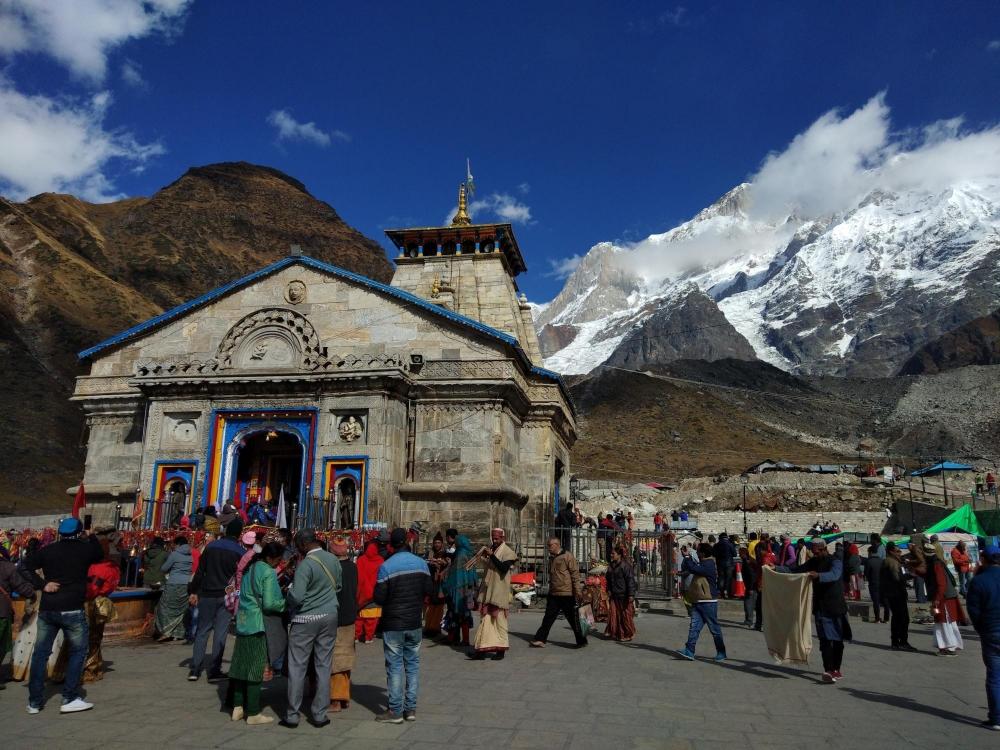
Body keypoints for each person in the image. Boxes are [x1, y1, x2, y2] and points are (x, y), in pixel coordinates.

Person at [24, 517, 103, 714]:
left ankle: (34, 701)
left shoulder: (49, 550)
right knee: (78, 652)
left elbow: (25, 566)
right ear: (79, 533)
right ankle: (69, 697)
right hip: (72, 609)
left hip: (48, 609)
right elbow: (100, 555)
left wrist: (43, 585)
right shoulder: (85, 549)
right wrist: (92, 536)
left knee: (41, 653)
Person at [282, 528, 342, 729]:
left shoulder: (305, 564)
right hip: (329, 615)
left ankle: (292, 715)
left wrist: (288, 594)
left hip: (306, 618)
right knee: (324, 665)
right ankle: (319, 714)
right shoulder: (333, 559)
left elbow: (297, 596)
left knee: (298, 666)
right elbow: (338, 586)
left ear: (303, 545)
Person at [372, 528, 432, 723]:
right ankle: (411, 708)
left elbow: (379, 598)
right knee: (412, 665)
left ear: (391, 544)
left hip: (393, 623)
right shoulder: (422, 564)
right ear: (407, 541)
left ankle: (395, 710)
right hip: (414, 621)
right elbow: (429, 590)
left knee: (395, 666)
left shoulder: (387, 566)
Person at [226, 541, 286, 726]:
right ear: (270, 558)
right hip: (258, 624)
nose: (279, 563)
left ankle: (237, 706)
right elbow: (269, 603)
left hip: (243, 621)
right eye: (278, 560)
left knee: (239, 666)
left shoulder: (249, 569)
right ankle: (252, 711)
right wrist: (284, 604)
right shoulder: (267, 572)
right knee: (254, 668)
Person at [188, 519, 244, 681]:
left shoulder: (211, 547)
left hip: (206, 593)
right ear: (239, 533)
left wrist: (193, 591)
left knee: (202, 631)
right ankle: (214, 670)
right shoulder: (239, 551)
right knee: (221, 632)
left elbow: (200, 572)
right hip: (227, 596)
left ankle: (195, 669)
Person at [796, 538, 849, 683]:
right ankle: (828, 670)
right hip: (820, 607)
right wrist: (776, 569)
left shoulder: (835, 561)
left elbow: (834, 575)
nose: (814, 555)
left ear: (823, 549)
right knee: (824, 640)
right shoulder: (813, 562)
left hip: (836, 606)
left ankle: (836, 669)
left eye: (816, 552)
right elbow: (797, 570)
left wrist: (819, 576)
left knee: (837, 640)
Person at [470, 528, 517, 660]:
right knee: (485, 620)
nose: (494, 541)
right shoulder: (492, 549)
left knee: (500, 621)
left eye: (497, 538)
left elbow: (503, 568)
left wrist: (491, 555)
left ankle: (500, 650)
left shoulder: (508, 552)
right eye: (493, 538)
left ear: (503, 538)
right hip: (488, 589)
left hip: (499, 591)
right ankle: (482, 650)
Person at [966, 544, 1000, 730]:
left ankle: (996, 718)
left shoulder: (978, 581)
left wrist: (982, 630)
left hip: (991, 631)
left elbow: (974, 611)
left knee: (994, 677)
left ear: (984, 559)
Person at [530, 537, 586, 647]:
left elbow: (575, 574)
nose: (548, 548)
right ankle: (540, 639)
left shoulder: (567, 556)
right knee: (548, 617)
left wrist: (578, 591)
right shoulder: (552, 558)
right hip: (554, 593)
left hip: (566, 593)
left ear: (557, 545)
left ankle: (582, 640)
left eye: (550, 546)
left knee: (572, 619)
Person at [676, 542, 726, 662]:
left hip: (708, 602)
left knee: (714, 629)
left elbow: (693, 568)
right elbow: (693, 567)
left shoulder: (708, 564)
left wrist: (687, 557)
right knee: (694, 627)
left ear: (702, 553)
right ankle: (689, 650)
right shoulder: (704, 563)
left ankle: (721, 652)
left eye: (698, 551)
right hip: (699, 600)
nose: (696, 553)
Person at [329, 534, 357, 713]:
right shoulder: (353, 567)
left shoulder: (332, 568)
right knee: (345, 658)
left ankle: (336, 699)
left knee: (335, 660)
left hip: (335, 617)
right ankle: (344, 696)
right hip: (350, 616)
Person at [0, 547, 35, 690]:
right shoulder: (7, 567)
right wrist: (32, 593)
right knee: (1, 645)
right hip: (1, 613)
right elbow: (21, 586)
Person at [923, 542, 963, 656]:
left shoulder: (936, 565)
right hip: (945, 597)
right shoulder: (937, 563)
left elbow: (941, 584)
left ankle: (948, 647)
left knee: (943, 622)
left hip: (943, 598)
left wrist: (937, 599)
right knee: (947, 623)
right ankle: (950, 645)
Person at [155, 535, 193, 642]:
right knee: (181, 610)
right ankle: (178, 634)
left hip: (173, 584)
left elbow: (164, 568)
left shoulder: (174, 554)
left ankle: (166, 632)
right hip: (186, 584)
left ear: (178, 544)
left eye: (174, 544)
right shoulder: (190, 556)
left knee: (165, 608)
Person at [442, 534, 477, 646]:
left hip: (458, 589)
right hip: (468, 589)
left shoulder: (460, 555)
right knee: (465, 614)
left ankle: (452, 638)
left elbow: (455, 574)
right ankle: (465, 639)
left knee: (454, 613)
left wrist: (447, 584)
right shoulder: (469, 553)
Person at [880, 542, 915, 651]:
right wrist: (910, 575)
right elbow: (897, 579)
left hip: (893, 594)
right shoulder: (892, 563)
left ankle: (895, 642)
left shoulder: (891, 561)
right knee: (903, 619)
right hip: (896, 594)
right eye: (898, 551)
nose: (900, 553)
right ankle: (902, 642)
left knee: (897, 618)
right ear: (891, 552)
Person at [605, 545, 637, 642]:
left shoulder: (625, 566)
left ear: (619, 555)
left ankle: (628, 634)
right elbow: (608, 579)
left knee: (625, 616)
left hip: (624, 595)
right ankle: (616, 632)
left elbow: (630, 581)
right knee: (614, 615)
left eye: (613, 554)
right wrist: (609, 589)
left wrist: (631, 595)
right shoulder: (611, 565)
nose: (611, 555)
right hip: (614, 594)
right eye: (611, 553)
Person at [355, 541, 383, 644]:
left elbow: (358, 577)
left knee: (359, 618)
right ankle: (368, 637)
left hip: (362, 593)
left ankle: (356, 636)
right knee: (372, 619)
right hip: (374, 594)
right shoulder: (380, 560)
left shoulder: (361, 560)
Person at [424, 533, 448, 637]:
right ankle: (429, 626)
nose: (437, 544)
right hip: (431, 581)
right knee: (430, 604)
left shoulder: (445, 554)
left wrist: (440, 564)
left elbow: (448, 566)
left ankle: (435, 627)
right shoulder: (430, 553)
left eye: (439, 542)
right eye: (435, 543)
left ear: (442, 543)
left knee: (439, 605)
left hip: (440, 582)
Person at [864, 536, 887, 623]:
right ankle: (886, 618)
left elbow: (866, 574)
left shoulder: (869, 561)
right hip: (882, 583)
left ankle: (877, 618)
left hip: (873, 583)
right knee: (884, 600)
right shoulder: (882, 561)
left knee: (876, 601)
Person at [738, 546, 757, 628]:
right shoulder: (748, 561)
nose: (739, 555)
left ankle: (749, 620)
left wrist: (750, 588)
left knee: (748, 604)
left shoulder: (747, 563)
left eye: (740, 554)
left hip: (751, 586)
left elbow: (751, 576)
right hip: (751, 586)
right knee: (749, 603)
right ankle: (748, 620)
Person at [714, 533, 736, 599]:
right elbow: (734, 554)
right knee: (728, 578)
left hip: (720, 563)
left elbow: (714, 553)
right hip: (729, 564)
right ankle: (727, 592)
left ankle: (720, 592)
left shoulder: (717, 545)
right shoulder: (730, 544)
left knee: (721, 578)